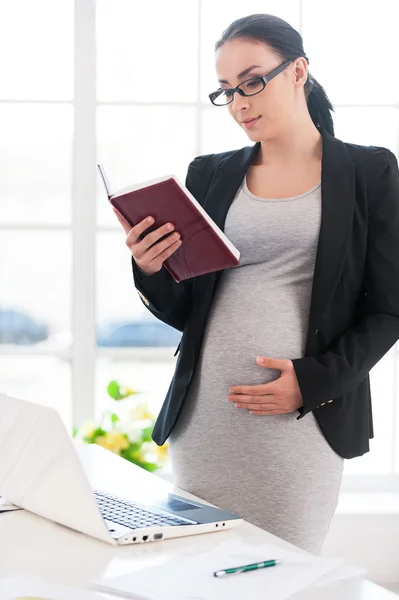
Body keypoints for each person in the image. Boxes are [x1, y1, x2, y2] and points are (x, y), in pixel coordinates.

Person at [114, 14, 399, 554]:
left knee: (284, 574)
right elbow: (188, 306)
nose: (240, 102)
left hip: (302, 419)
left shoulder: (369, 172)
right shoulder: (210, 174)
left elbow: (389, 309)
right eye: (226, 91)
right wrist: (151, 269)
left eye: (251, 81)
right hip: (204, 419)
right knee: (199, 574)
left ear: (298, 73)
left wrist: (313, 382)